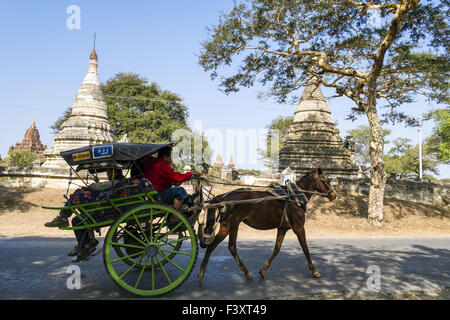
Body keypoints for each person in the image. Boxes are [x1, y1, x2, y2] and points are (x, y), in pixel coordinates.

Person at [44, 168, 125, 260]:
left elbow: (98, 187)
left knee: (76, 196)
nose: (108, 173)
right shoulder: (117, 182)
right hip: (105, 208)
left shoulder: (116, 182)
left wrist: (91, 186)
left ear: (116, 172)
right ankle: (86, 244)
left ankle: (63, 218)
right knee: (77, 220)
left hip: (106, 212)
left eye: (110, 171)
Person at [143, 146, 201, 211]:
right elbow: (177, 177)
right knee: (181, 191)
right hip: (157, 195)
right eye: (170, 156)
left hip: (149, 194)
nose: (171, 160)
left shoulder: (151, 163)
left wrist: (179, 180)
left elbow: (173, 180)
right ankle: (173, 216)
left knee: (178, 191)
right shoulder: (162, 164)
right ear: (165, 156)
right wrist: (191, 173)